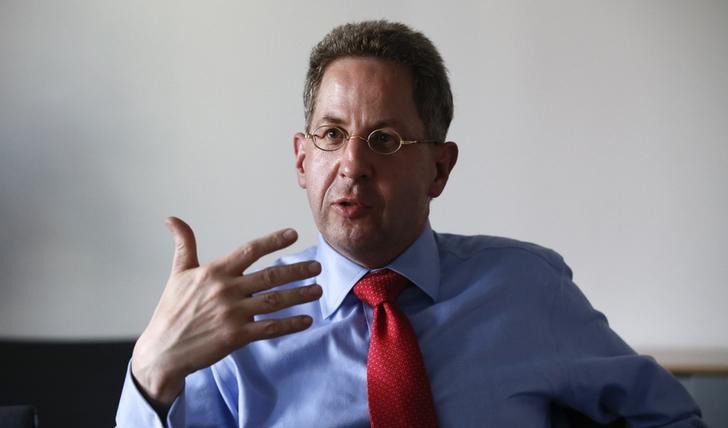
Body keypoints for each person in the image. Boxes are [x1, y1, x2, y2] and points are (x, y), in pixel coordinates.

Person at [116, 20, 705, 427]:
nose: (352, 164)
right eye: (331, 135)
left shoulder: (527, 287)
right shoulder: (239, 318)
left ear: (439, 168)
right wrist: (151, 370)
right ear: (302, 158)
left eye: (384, 139)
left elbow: (669, 414)